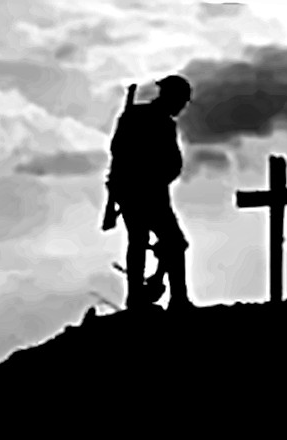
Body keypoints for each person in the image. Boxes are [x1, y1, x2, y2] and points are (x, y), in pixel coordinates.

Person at [106, 74, 194, 311]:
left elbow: (172, 163)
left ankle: (153, 293)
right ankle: (158, 298)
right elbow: (120, 151)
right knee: (158, 241)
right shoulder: (143, 118)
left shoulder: (154, 120)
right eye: (181, 101)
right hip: (139, 191)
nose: (182, 107)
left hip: (146, 191)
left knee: (155, 242)